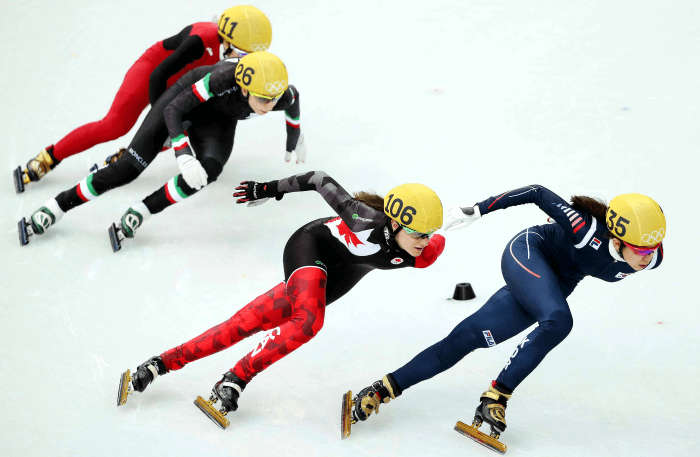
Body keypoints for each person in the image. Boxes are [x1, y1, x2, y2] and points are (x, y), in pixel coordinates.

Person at [116, 171, 445, 429]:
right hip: (309, 248)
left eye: (429, 235)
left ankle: (157, 364)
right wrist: (268, 189)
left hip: (335, 278)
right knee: (308, 323)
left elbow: (472, 212)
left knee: (241, 325)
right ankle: (235, 378)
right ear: (398, 223)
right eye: (418, 235)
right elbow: (318, 178)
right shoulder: (361, 218)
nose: (424, 242)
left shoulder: (425, 252)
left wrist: (495, 204)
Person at [345, 186, 665, 449]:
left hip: (553, 284)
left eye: (652, 249)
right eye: (640, 250)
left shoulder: (651, 257)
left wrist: (647, 253)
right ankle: (497, 396)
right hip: (528, 254)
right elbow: (538, 193)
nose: (647, 257)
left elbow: (646, 253)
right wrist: (478, 209)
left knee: (467, 339)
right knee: (558, 320)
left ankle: (381, 389)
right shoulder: (584, 228)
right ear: (618, 239)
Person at [18, 50, 304, 248]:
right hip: (180, 102)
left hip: (217, 121)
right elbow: (174, 110)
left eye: (274, 99)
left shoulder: (278, 96)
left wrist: (294, 137)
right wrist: (182, 154)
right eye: (264, 100)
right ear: (243, 87)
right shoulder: (220, 80)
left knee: (209, 171)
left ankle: (142, 211)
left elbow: (294, 100)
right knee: (127, 169)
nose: (270, 107)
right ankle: (56, 206)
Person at [13, 5, 273, 193]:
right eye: (243, 53)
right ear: (228, 41)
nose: (245, 60)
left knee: (182, 127)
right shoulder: (200, 41)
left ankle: (126, 154)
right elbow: (160, 74)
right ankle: (49, 157)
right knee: (115, 125)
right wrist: (158, 115)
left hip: (187, 83)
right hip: (153, 72)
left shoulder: (236, 54)